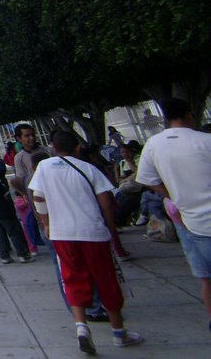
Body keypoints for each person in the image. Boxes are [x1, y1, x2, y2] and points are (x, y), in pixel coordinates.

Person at [30, 130, 143, 353]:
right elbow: (107, 202)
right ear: (77, 147)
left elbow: (38, 197)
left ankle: (81, 327)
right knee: (106, 279)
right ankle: (119, 332)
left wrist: (47, 223)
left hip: (62, 234)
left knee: (72, 279)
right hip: (92, 232)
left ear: (53, 147)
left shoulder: (44, 167)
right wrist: (111, 227)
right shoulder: (89, 169)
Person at [136, 97, 211, 332]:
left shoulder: (153, 144)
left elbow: (147, 180)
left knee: (205, 277)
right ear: (190, 114)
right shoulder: (205, 141)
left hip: (186, 219)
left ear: (166, 119)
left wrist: (171, 195)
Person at [113, 141, 145, 227]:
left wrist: (130, 161)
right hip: (128, 188)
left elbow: (139, 173)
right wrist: (117, 173)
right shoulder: (122, 162)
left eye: (126, 151)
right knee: (117, 199)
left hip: (139, 188)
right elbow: (122, 177)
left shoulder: (138, 159)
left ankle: (120, 221)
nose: (124, 154)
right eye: (122, 152)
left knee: (128, 202)